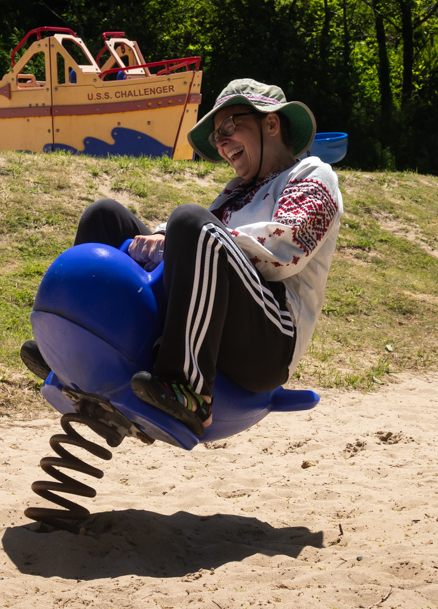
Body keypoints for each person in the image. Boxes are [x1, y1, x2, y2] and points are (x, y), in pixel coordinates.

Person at [21, 78, 343, 437]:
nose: (221, 142)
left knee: (192, 223)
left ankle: (189, 390)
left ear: (271, 123)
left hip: (269, 341)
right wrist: (163, 236)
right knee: (106, 217)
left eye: (229, 126)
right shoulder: (236, 193)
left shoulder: (311, 175)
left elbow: (286, 250)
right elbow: (194, 242)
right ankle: (71, 353)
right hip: (215, 317)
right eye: (217, 134)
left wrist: (180, 238)